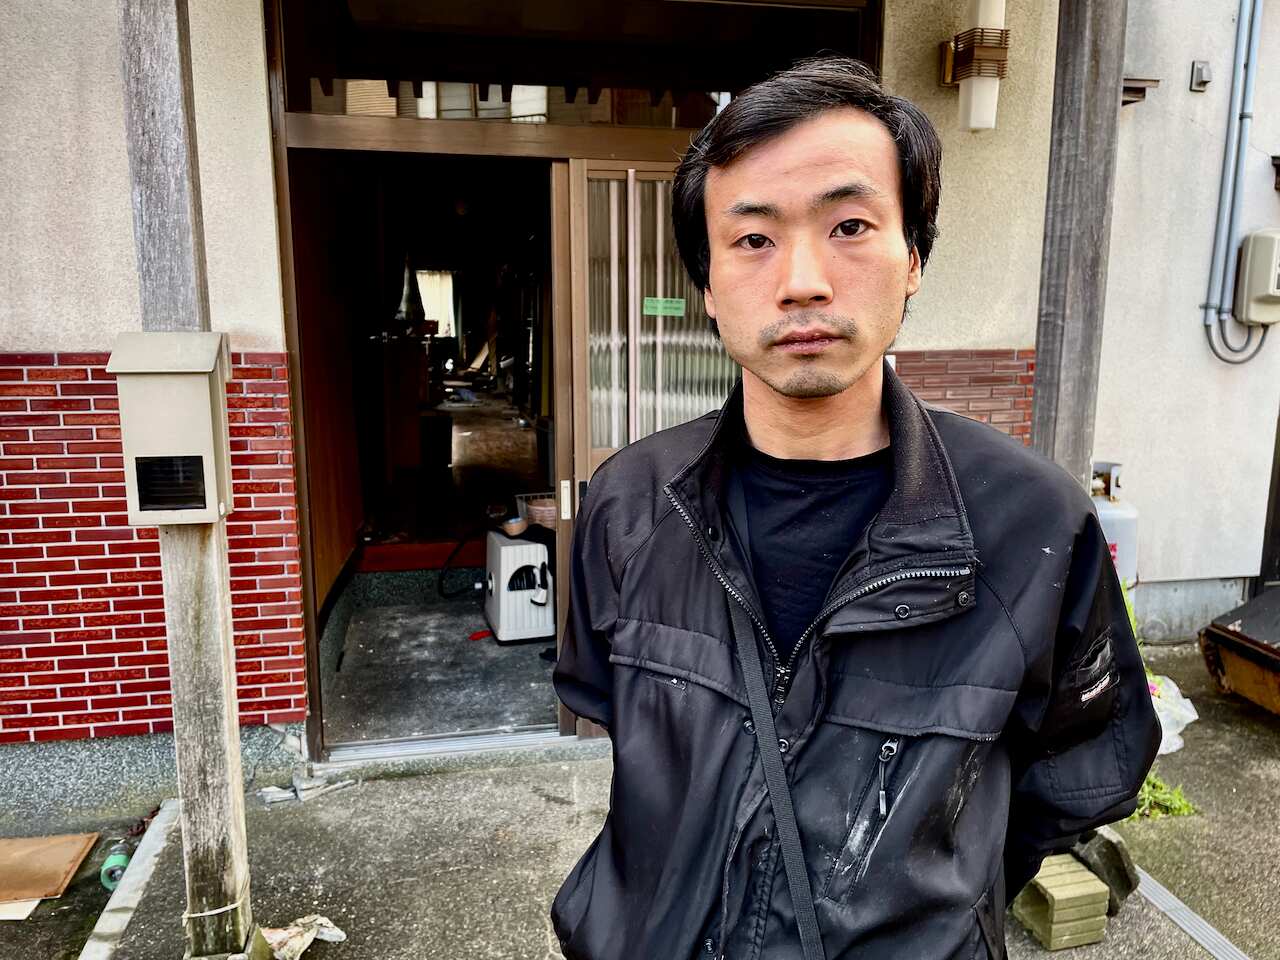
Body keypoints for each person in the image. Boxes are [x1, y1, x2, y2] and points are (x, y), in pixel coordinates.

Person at [551, 56, 1160, 960]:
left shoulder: (1031, 521)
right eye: (753, 239)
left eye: (848, 225)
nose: (802, 280)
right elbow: (611, 713)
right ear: (709, 290)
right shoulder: (632, 503)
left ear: (912, 258)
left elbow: (1080, 769)